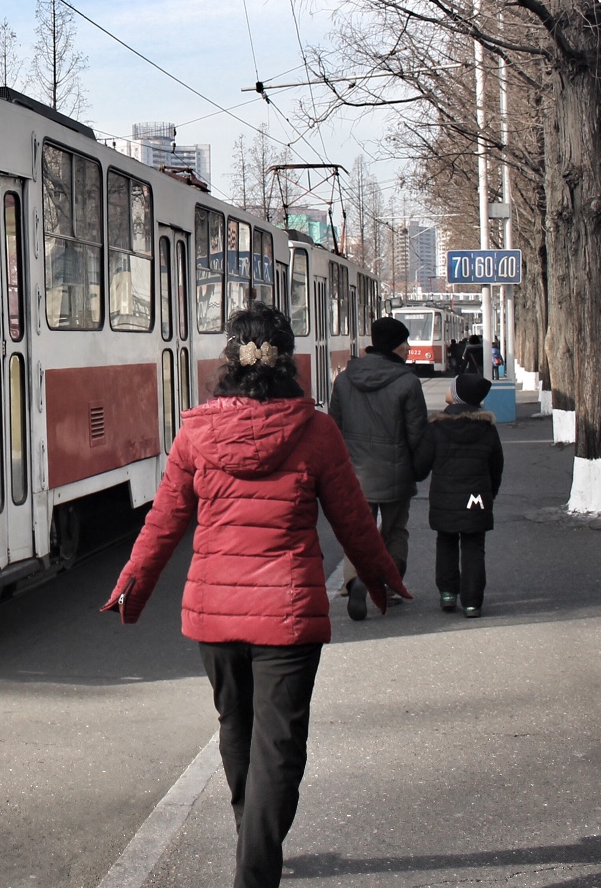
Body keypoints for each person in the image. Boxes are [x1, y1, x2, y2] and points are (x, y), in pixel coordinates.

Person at [104, 304, 409, 888]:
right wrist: (381, 576)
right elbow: (351, 518)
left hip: (213, 615)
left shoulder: (195, 431)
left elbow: (164, 522)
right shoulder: (315, 431)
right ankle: (256, 863)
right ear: (287, 361)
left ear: (229, 361)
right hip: (288, 617)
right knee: (280, 745)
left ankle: (252, 840)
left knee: (236, 727)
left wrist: (131, 589)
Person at [327, 314, 430, 620]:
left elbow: (334, 427)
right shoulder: (408, 383)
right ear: (395, 347)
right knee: (395, 530)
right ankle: (390, 584)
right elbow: (417, 434)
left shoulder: (344, 379)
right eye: (405, 342)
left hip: (355, 472)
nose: (409, 348)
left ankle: (355, 580)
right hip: (396, 472)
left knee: (359, 530)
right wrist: (418, 469)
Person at [415, 371, 504, 617]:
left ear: (455, 397)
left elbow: (421, 466)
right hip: (477, 498)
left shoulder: (437, 427)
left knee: (446, 541)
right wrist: (491, 492)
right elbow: (497, 464)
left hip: (445, 499)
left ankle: (447, 594)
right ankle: (473, 602)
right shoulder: (487, 428)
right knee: (474, 545)